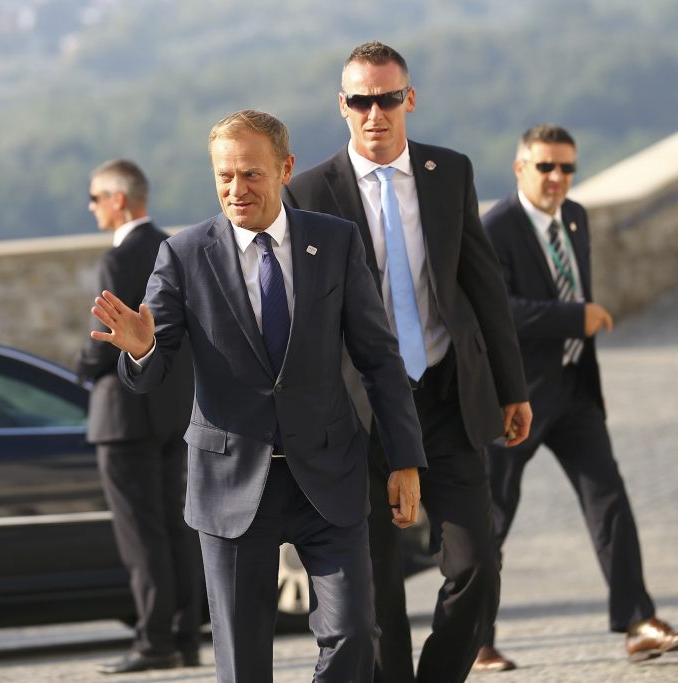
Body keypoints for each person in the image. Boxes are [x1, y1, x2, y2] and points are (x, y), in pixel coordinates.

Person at [89, 109, 427, 683]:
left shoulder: (335, 242)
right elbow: (148, 374)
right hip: (231, 485)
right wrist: (142, 350)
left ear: (285, 169)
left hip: (328, 473)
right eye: (224, 176)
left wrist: (405, 458)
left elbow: (378, 358)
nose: (236, 189)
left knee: (353, 634)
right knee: (243, 662)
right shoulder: (183, 254)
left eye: (251, 174)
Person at [282, 41, 532, 683]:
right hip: (359, 410)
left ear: (409, 99)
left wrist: (512, 385)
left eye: (387, 98)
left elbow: (482, 287)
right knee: (374, 587)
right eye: (360, 100)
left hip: (447, 395)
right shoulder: (309, 191)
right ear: (342, 106)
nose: (375, 113)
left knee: (476, 564)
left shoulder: (450, 172)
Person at [474, 124, 678, 671]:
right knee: (492, 517)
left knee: (609, 499)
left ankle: (638, 623)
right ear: (520, 168)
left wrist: (577, 329)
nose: (558, 178)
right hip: (514, 397)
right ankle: (474, 639)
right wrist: (576, 317)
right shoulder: (496, 229)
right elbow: (499, 311)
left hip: (574, 390)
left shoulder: (576, 216)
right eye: (546, 167)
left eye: (567, 168)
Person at [74, 160, 202, 673]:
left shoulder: (118, 259)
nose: (91, 207)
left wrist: (80, 364)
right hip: (173, 409)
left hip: (124, 416)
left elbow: (106, 344)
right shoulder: (177, 248)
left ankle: (154, 642)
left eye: (95, 197)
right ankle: (186, 637)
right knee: (175, 526)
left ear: (119, 200)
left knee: (140, 534)